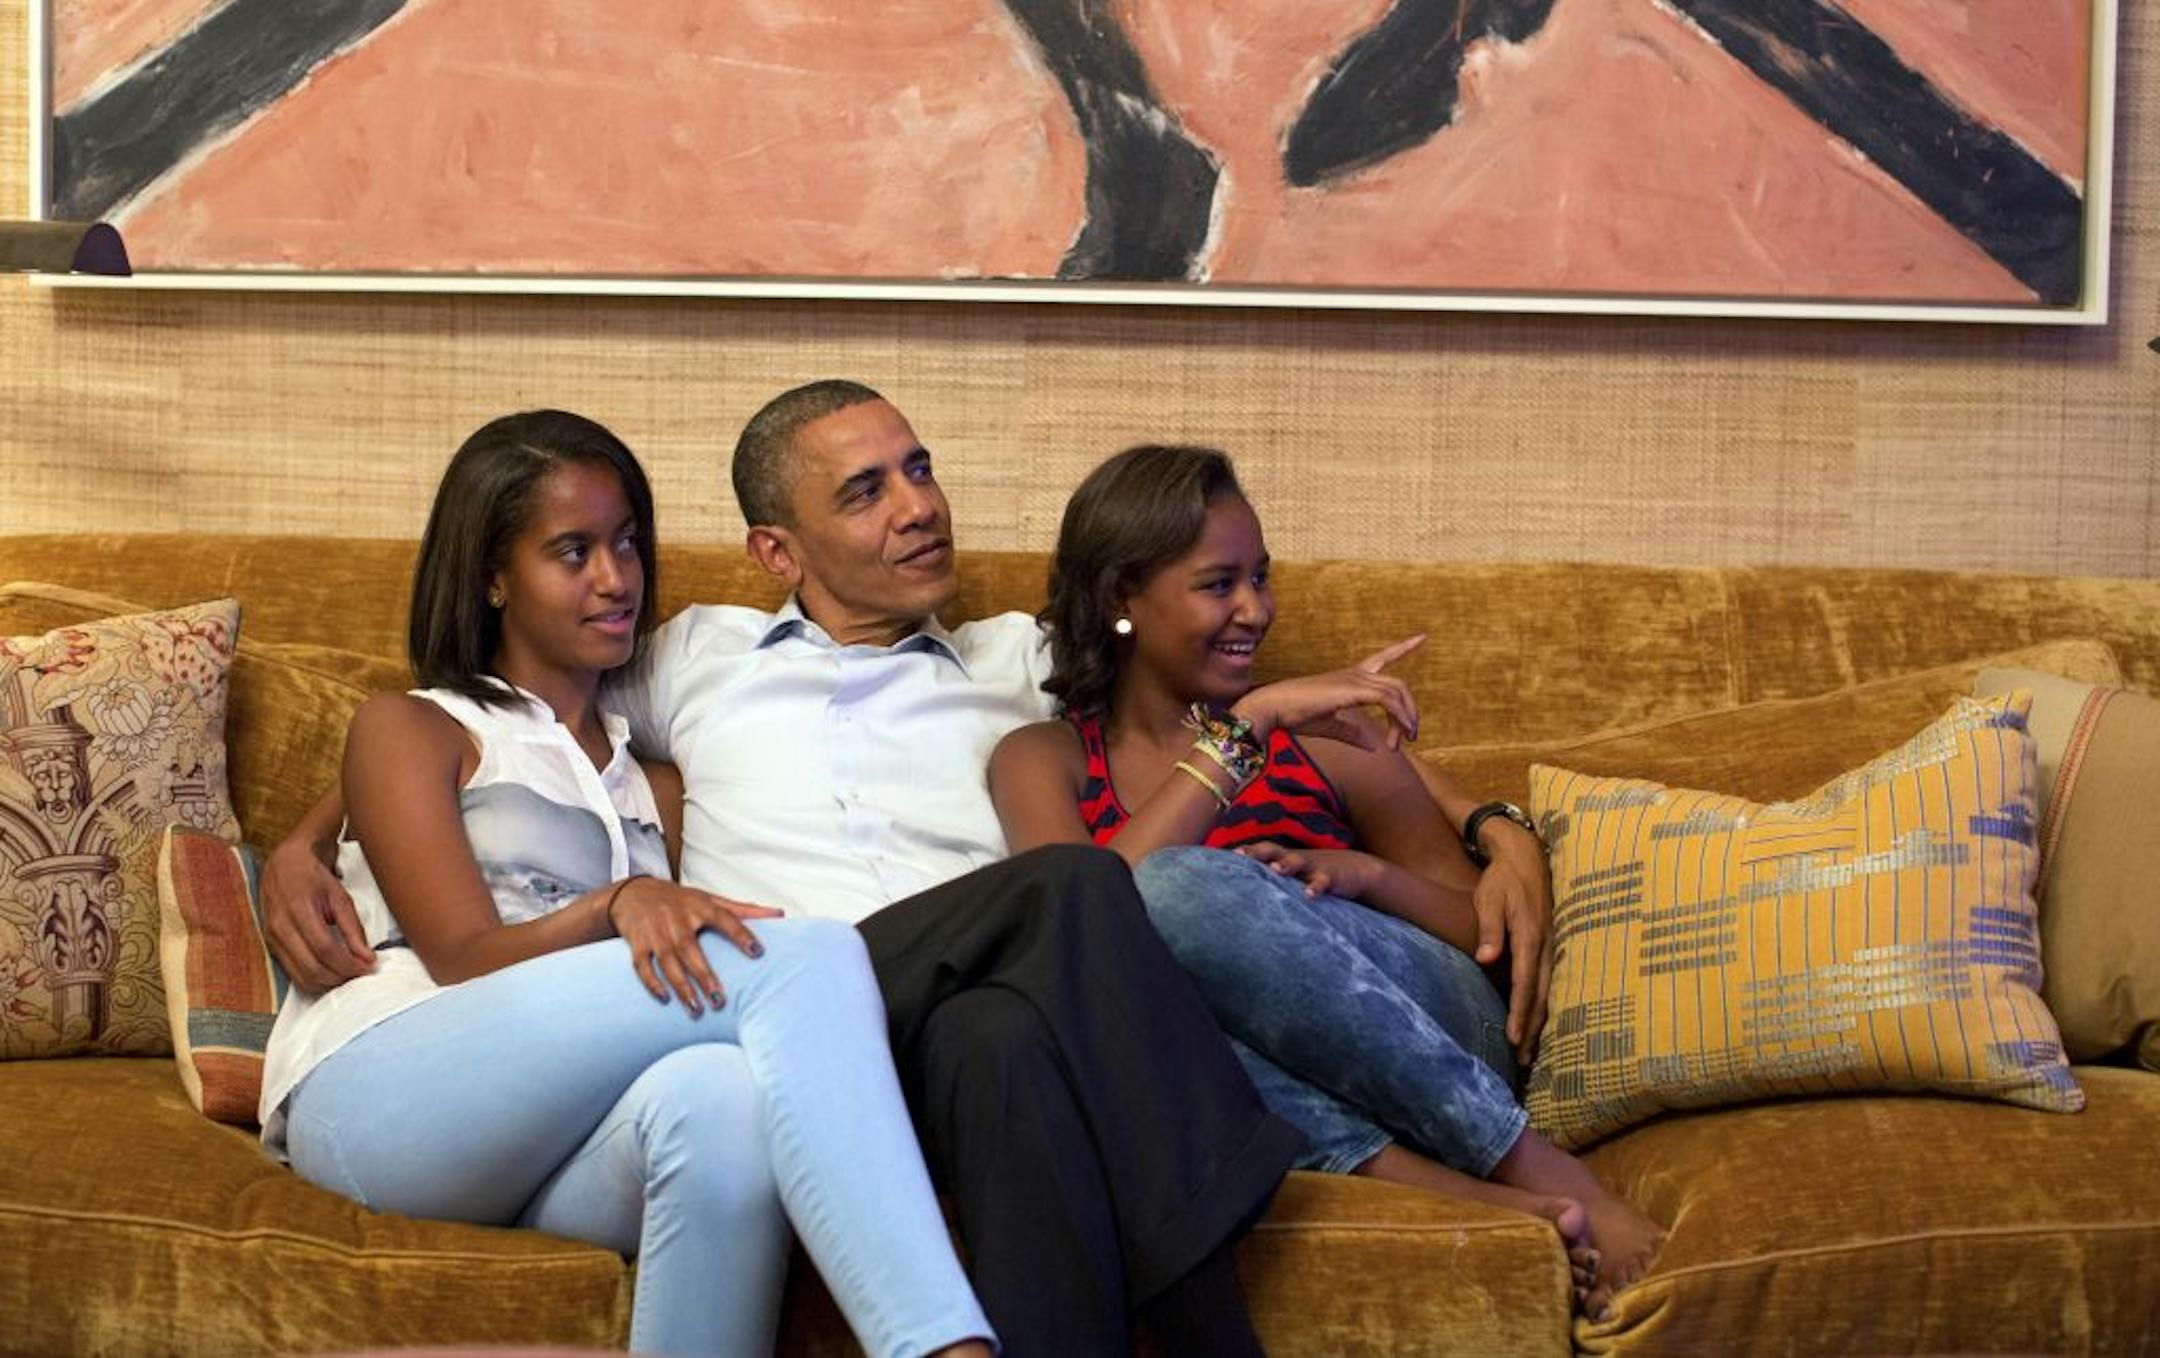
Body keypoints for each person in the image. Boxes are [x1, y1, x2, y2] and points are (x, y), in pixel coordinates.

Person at [261, 385, 1313, 1356]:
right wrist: (301, 844)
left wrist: (1482, 819)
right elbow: (451, 725)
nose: (918, 506)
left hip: (915, 1029)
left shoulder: (1017, 661)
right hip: (778, 998)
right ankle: (969, 1336)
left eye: (919, 468)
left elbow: (1207, 665)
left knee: (993, 1038)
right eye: (866, 490)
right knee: (1035, 894)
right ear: (777, 548)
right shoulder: (689, 657)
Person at [257, 410, 995, 1358]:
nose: (616, 579)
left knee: (723, 1098)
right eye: (571, 553)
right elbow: (464, 959)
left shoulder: (652, 777)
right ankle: (940, 1347)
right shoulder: (418, 725)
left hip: (546, 1132)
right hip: (382, 1088)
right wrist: (611, 904)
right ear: (492, 577)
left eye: (626, 544)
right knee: (799, 958)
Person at [988, 443, 1665, 1318]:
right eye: (1218, 583)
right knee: (1118, 1004)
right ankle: (1468, 1199)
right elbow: (1080, 931)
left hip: (1434, 1031)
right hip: (1234, 1068)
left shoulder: (1328, 738)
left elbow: (1477, 939)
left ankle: (1532, 1160)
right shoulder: (1041, 759)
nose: (1255, 610)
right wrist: (1244, 730)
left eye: (1260, 578)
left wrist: (1369, 876)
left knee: (1185, 891)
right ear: (1122, 597)